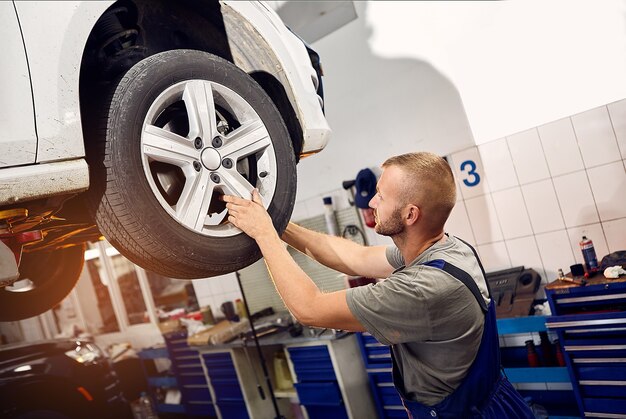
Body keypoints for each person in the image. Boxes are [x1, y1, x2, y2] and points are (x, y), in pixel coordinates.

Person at [223, 152, 533, 418]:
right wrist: (277, 225)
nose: (371, 202)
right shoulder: (446, 249)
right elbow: (354, 258)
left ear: (411, 214)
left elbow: (309, 308)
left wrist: (264, 236)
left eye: (381, 196)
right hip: (492, 404)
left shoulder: (423, 290)